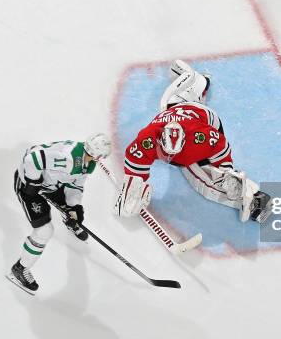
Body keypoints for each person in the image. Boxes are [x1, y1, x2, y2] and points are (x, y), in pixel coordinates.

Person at [116, 60, 272, 225]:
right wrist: (135, 186)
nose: (169, 157)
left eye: (174, 152)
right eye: (166, 151)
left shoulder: (199, 138)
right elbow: (134, 159)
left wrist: (225, 171)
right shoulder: (149, 137)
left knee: (206, 180)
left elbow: (221, 146)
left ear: (184, 141)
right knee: (195, 83)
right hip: (181, 105)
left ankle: (255, 199)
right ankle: (198, 83)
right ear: (160, 138)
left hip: (208, 121)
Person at [6, 134, 111, 294]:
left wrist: (73, 208)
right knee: (44, 231)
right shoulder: (68, 159)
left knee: (72, 211)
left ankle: (69, 221)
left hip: (51, 184)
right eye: (101, 156)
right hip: (29, 187)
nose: (101, 159)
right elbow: (32, 158)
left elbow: (76, 186)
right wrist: (32, 182)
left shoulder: (87, 162)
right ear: (97, 154)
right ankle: (19, 269)